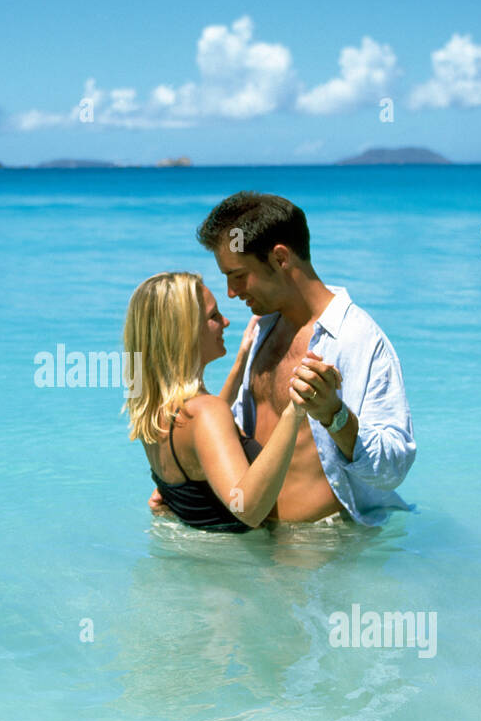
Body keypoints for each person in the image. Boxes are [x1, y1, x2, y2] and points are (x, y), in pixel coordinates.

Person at [151, 191, 416, 526]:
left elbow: (393, 469)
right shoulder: (262, 327)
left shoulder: (357, 339)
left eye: (237, 275)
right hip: (259, 543)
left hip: (324, 551)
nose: (231, 292)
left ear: (279, 258)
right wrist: (187, 488)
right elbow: (236, 432)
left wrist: (334, 416)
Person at [123, 271, 333, 532]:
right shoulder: (206, 413)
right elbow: (249, 510)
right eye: (213, 317)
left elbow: (204, 440)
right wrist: (295, 410)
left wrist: (240, 363)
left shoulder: (154, 411)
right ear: (185, 333)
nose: (226, 321)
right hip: (247, 565)